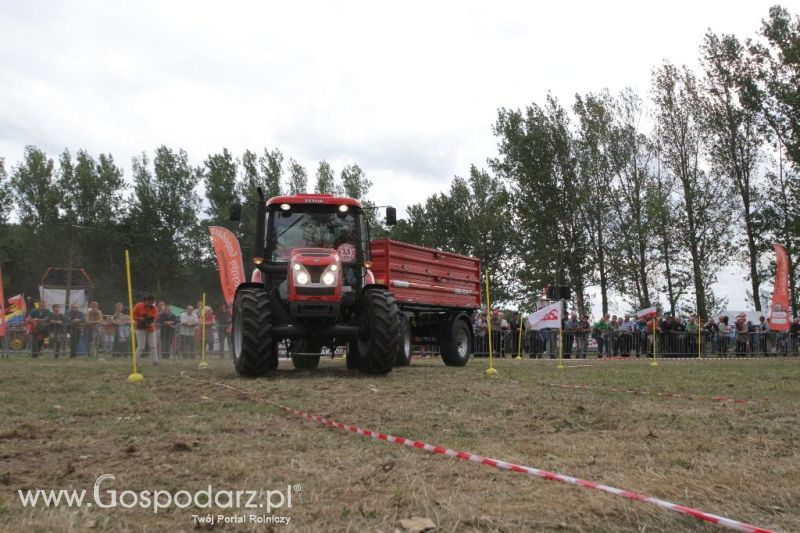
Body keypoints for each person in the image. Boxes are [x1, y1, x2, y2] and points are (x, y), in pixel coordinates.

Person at [133, 294, 159, 365]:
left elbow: (155, 318)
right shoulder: (138, 306)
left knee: (153, 346)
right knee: (141, 346)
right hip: (140, 328)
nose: (151, 304)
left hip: (150, 328)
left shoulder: (154, 308)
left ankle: (155, 362)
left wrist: (151, 322)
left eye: (153, 302)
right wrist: (140, 318)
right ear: (146, 301)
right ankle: (135, 362)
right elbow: (133, 316)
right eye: (150, 302)